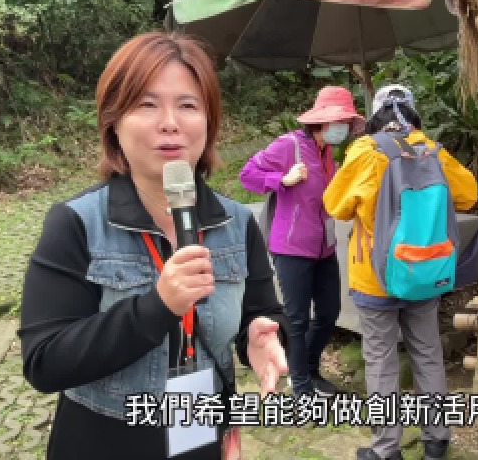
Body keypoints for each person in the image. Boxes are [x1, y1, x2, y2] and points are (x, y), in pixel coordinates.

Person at [18, 31, 289, 460]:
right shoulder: (76, 223)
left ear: (209, 122)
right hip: (103, 441)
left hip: (199, 429)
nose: (170, 123)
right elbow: (44, 361)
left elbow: (262, 311)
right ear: (114, 122)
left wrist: (262, 335)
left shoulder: (237, 223)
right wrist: (157, 307)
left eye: (188, 105)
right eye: (147, 105)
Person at [322, 85, 478, 460]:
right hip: (425, 272)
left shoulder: (366, 151)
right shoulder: (432, 151)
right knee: (427, 353)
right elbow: (468, 195)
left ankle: (386, 449)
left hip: (375, 277)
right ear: (412, 113)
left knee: (381, 361)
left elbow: (335, 205)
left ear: (376, 115)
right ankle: (437, 440)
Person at [239, 86, 364, 395]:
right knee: (297, 319)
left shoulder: (329, 152)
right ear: (322, 121)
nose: (344, 128)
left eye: (347, 122)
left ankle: (308, 369)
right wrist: (281, 180)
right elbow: (248, 175)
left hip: (324, 247)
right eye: (340, 121)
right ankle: (301, 384)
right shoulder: (289, 145)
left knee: (329, 312)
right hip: (291, 248)